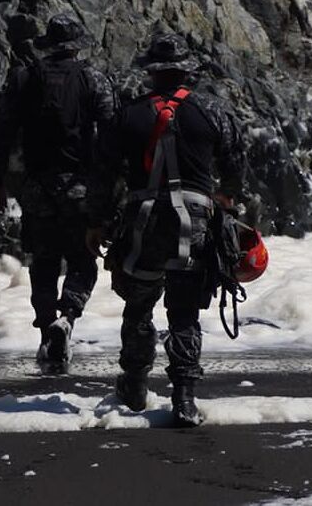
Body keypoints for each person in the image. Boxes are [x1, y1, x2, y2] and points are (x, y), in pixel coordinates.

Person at [87, 33, 246, 427]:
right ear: (186, 70)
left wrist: (98, 222)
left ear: (151, 72)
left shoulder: (128, 115)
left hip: (143, 222)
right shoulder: (213, 110)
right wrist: (226, 199)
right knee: (185, 311)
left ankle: (134, 385)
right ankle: (184, 398)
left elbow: (103, 172)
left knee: (139, 305)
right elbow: (235, 165)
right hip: (195, 223)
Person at [0, 14, 115, 368]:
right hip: (79, 188)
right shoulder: (93, 79)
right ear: (76, 47)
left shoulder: (24, 77)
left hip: (37, 188)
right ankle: (67, 317)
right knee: (82, 260)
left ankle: (47, 332)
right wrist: (109, 193)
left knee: (42, 263)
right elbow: (111, 137)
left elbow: (2, 131)